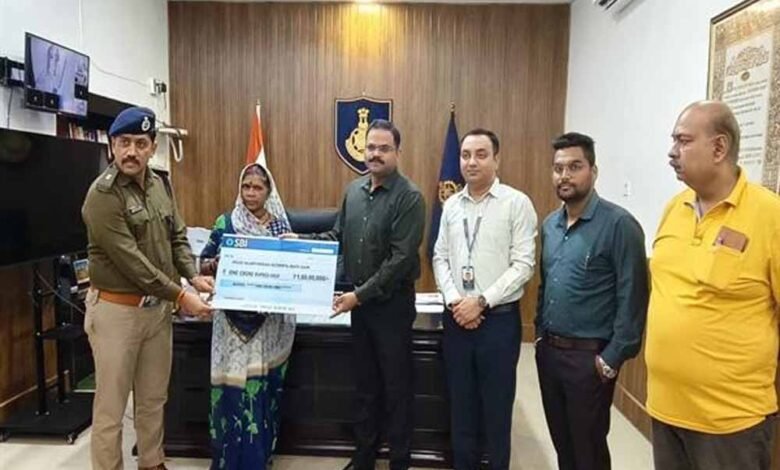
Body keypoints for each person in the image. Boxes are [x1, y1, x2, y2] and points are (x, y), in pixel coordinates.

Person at [646, 101, 780, 470]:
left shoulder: (769, 215)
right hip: (665, 410)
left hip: (729, 423)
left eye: (683, 141)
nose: (672, 152)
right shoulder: (674, 208)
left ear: (719, 148)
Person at [284, 119, 425, 470]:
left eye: (384, 148)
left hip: (391, 307)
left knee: (396, 388)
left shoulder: (410, 197)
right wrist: (300, 242)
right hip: (360, 306)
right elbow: (337, 237)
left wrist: (357, 296)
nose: (375, 154)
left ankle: (399, 461)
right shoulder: (354, 192)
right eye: (371, 147)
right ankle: (364, 456)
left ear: (397, 152)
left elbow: (400, 260)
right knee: (365, 386)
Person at [81, 106, 213, 470]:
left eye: (140, 144)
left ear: (153, 147)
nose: (131, 152)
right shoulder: (102, 196)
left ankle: (152, 462)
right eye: (124, 142)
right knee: (110, 408)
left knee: (154, 398)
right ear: (111, 145)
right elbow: (133, 264)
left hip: (157, 312)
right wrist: (182, 295)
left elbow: (177, 236)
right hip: (116, 313)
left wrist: (193, 275)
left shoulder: (160, 184)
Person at [535, 132, 648, 470]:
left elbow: (633, 297)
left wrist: (612, 358)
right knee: (563, 444)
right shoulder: (550, 225)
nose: (564, 176)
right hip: (550, 353)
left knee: (589, 451)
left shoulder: (619, 225)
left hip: (589, 359)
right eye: (558, 168)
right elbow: (545, 285)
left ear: (593, 172)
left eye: (575, 167)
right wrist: (539, 337)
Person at [432, 128, 537, 470]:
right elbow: (439, 257)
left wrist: (481, 302)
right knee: (461, 408)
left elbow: (523, 265)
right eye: (465, 155)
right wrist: (455, 301)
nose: (471, 162)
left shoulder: (516, 203)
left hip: (498, 323)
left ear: (496, 159)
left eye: (481, 154)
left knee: (496, 409)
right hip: (456, 319)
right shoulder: (451, 205)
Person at [200, 163, 295, 470]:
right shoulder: (226, 222)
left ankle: (257, 458)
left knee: (259, 390)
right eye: (246, 186)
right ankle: (228, 460)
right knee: (232, 389)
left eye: (257, 187)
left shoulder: (280, 226)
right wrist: (217, 263)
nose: (251, 193)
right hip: (230, 322)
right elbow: (202, 262)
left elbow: (292, 268)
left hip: (267, 322)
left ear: (268, 192)